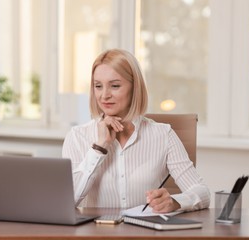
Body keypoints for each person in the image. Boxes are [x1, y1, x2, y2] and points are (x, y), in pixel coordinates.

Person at [62, 48, 210, 213]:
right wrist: (99, 147)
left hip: (144, 235)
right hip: (96, 235)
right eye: (98, 86)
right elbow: (67, 200)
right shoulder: (77, 136)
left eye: (115, 86)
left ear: (135, 87)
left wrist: (174, 201)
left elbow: (202, 192)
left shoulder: (163, 134)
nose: (104, 95)